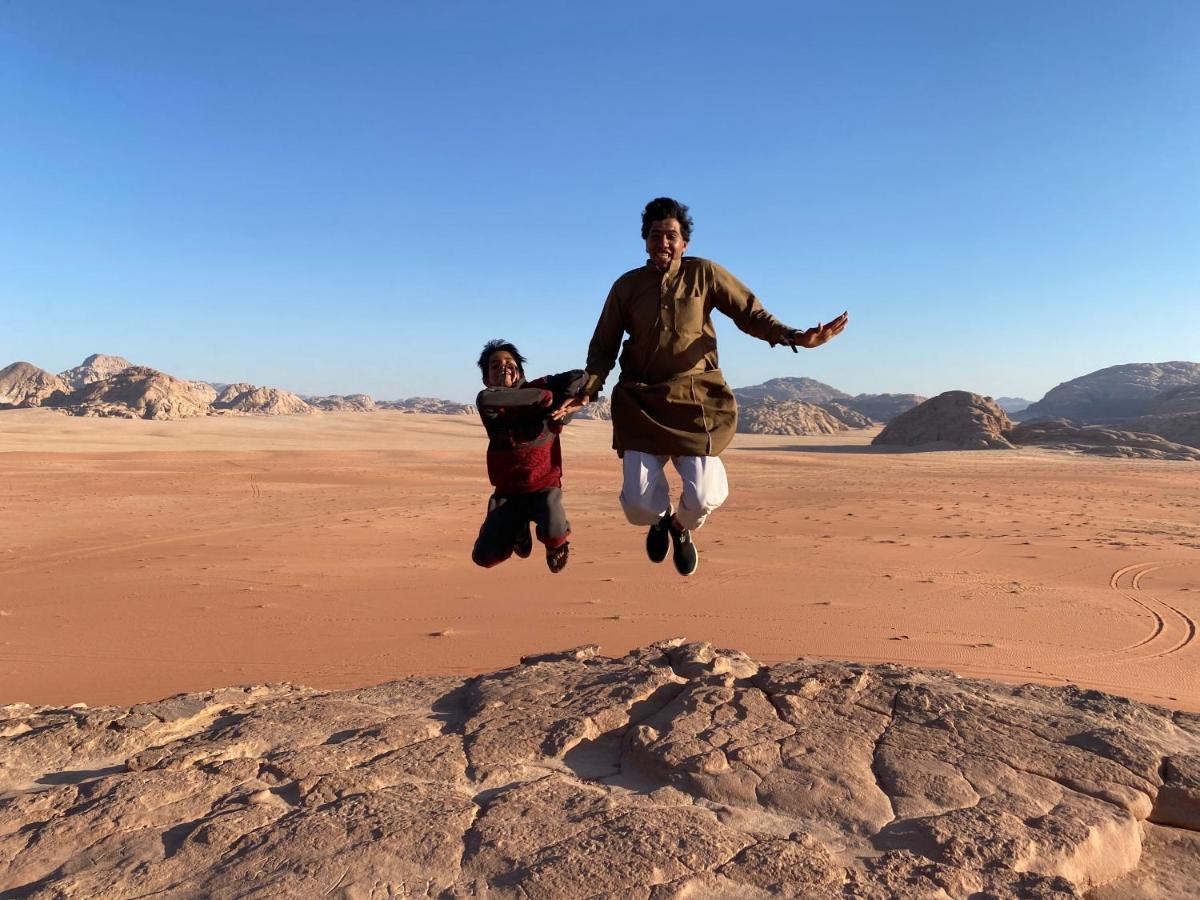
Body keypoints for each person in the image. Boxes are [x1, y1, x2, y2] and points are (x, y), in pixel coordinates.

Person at [560, 197, 848, 577]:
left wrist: (796, 336)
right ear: (645, 240)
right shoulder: (626, 286)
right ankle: (661, 519)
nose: (663, 241)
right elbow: (603, 346)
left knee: (704, 496)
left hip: (694, 401)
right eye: (656, 234)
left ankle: (679, 529)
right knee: (639, 506)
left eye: (671, 235)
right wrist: (588, 388)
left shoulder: (705, 274)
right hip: (641, 401)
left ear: (685, 243)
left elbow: (751, 314)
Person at [472, 339, 586, 574]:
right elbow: (486, 399)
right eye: (495, 366)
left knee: (554, 530)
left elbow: (579, 376)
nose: (503, 367)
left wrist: (564, 406)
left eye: (509, 362)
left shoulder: (541, 386)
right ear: (486, 379)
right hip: (508, 493)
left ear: (520, 371)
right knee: (483, 557)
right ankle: (517, 528)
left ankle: (556, 545)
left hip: (544, 486)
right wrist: (544, 397)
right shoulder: (491, 405)